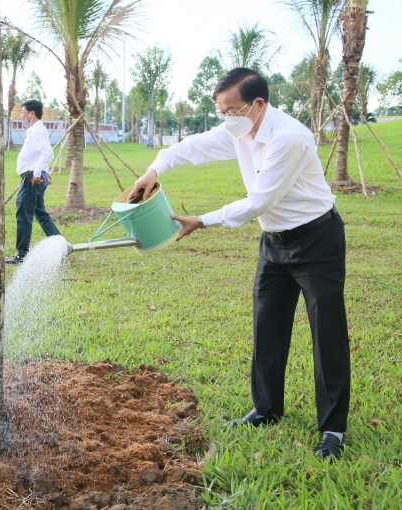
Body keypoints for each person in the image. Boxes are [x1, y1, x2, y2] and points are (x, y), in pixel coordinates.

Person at [130, 68, 349, 461]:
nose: (226, 118)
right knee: (267, 325)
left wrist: (203, 220)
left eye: (232, 110)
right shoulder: (240, 129)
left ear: (258, 104)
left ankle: (332, 428)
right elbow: (192, 146)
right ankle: (266, 409)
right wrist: (153, 171)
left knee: (326, 335)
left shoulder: (289, 137)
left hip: (317, 241)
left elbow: (259, 201)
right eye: (222, 111)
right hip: (274, 243)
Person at [6, 99, 61, 264]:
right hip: (35, 176)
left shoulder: (37, 130)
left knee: (24, 216)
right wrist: (44, 170)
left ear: (32, 113)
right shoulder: (36, 130)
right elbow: (40, 154)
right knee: (41, 214)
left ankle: (22, 254)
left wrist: (38, 172)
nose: (22, 116)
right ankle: (61, 246)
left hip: (32, 179)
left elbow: (47, 152)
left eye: (23, 112)